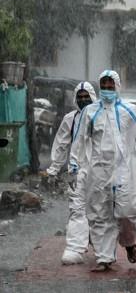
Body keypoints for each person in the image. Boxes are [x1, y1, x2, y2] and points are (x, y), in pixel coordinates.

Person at [71, 70, 136, 272]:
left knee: (126, 212)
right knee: (100, 214)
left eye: (111, 85)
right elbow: (79, 140)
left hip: (125, 170)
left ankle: (129, 242)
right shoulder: (90, 112)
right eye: (103, 85)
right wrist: (73, 167)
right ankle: (104, 258)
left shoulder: (131, 111)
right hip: (99, 170)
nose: (107, 89)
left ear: (118, 86)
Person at [45, 82, 96, 265]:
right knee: (77, 209)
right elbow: (61, 143)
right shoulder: (70, 119)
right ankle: (75, 248)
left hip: (100, 171)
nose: (83, 100)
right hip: (77, 171)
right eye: (80, 97)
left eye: (86, 96)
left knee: (101, 210)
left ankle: (102, 245)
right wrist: (54, 169)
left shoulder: (103, 115)